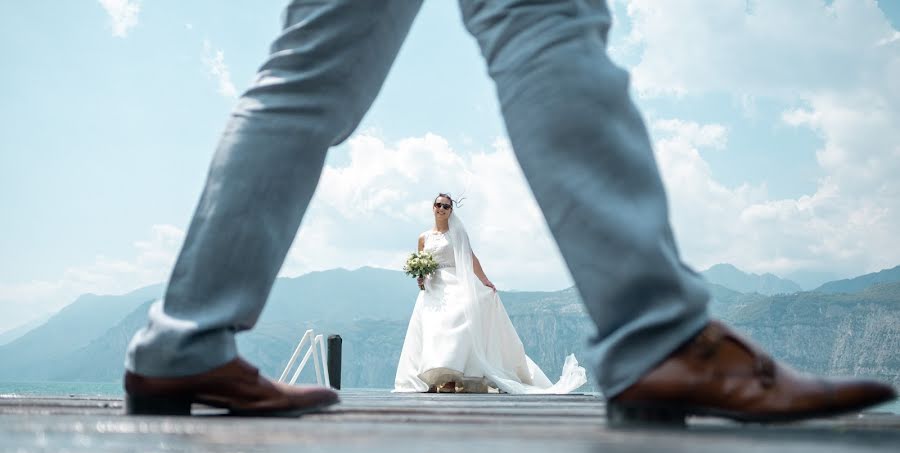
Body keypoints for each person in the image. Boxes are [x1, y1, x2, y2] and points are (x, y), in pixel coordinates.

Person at [123, 0, 895, 423]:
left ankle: (184, 339)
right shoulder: (439, 229)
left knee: (310, 67)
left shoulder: (447, 228)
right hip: (453, 285)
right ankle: (660, 334)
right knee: (545, 19)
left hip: (449, 286)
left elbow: (465, 258)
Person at [393, 193, 587, 394]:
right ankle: (433, 379)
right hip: (433, 290)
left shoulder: (457, 233)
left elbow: (470, 258)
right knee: (433, 331)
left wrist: (485, 281)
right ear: (432, 207)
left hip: (454, 284)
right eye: (438, 205)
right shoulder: (423, 237)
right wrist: (421, 276)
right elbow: (423, 263)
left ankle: (450, 377)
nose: (441, 208)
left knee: (452, 326)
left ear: (451, 211)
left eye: (446, 206)